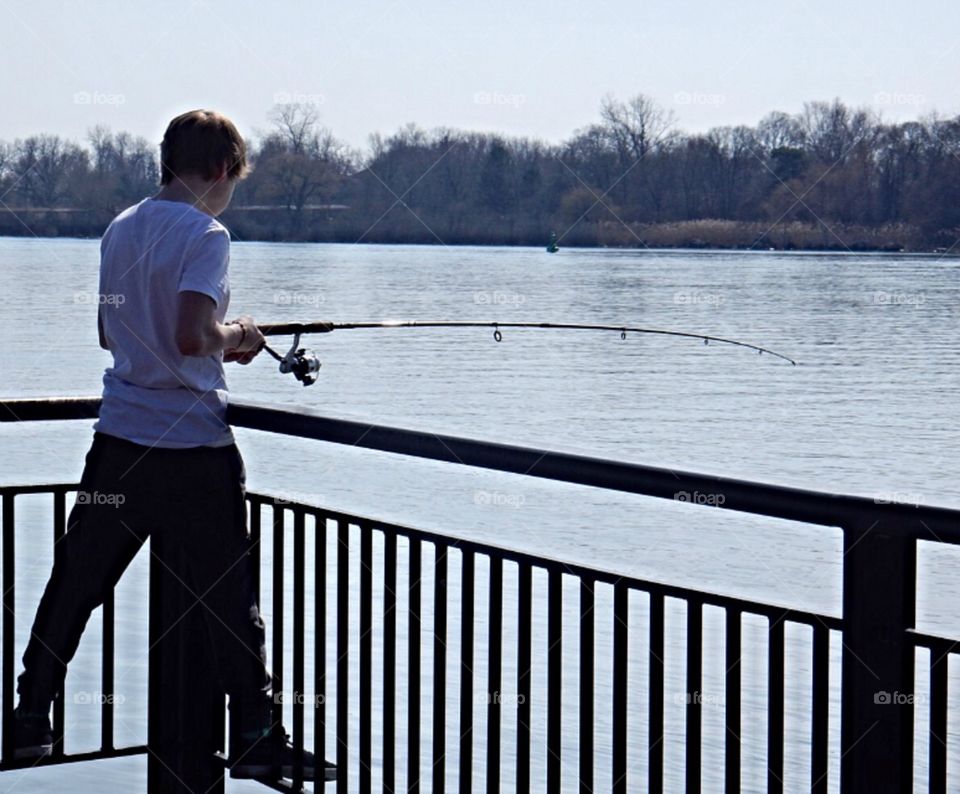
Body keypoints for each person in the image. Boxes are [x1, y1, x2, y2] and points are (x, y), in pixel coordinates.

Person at [11, 109, 335, 783]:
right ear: (221, 171)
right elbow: (193, 335)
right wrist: (241, 334)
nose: (227, 195)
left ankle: (28, 719)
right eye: (232, 182)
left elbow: (111, 334)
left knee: (75, 583)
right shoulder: (206, 233)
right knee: (228, 599)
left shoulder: (120, 229)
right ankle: (254, 733)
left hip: (120, 445)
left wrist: (201, 340)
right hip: (192, 451)